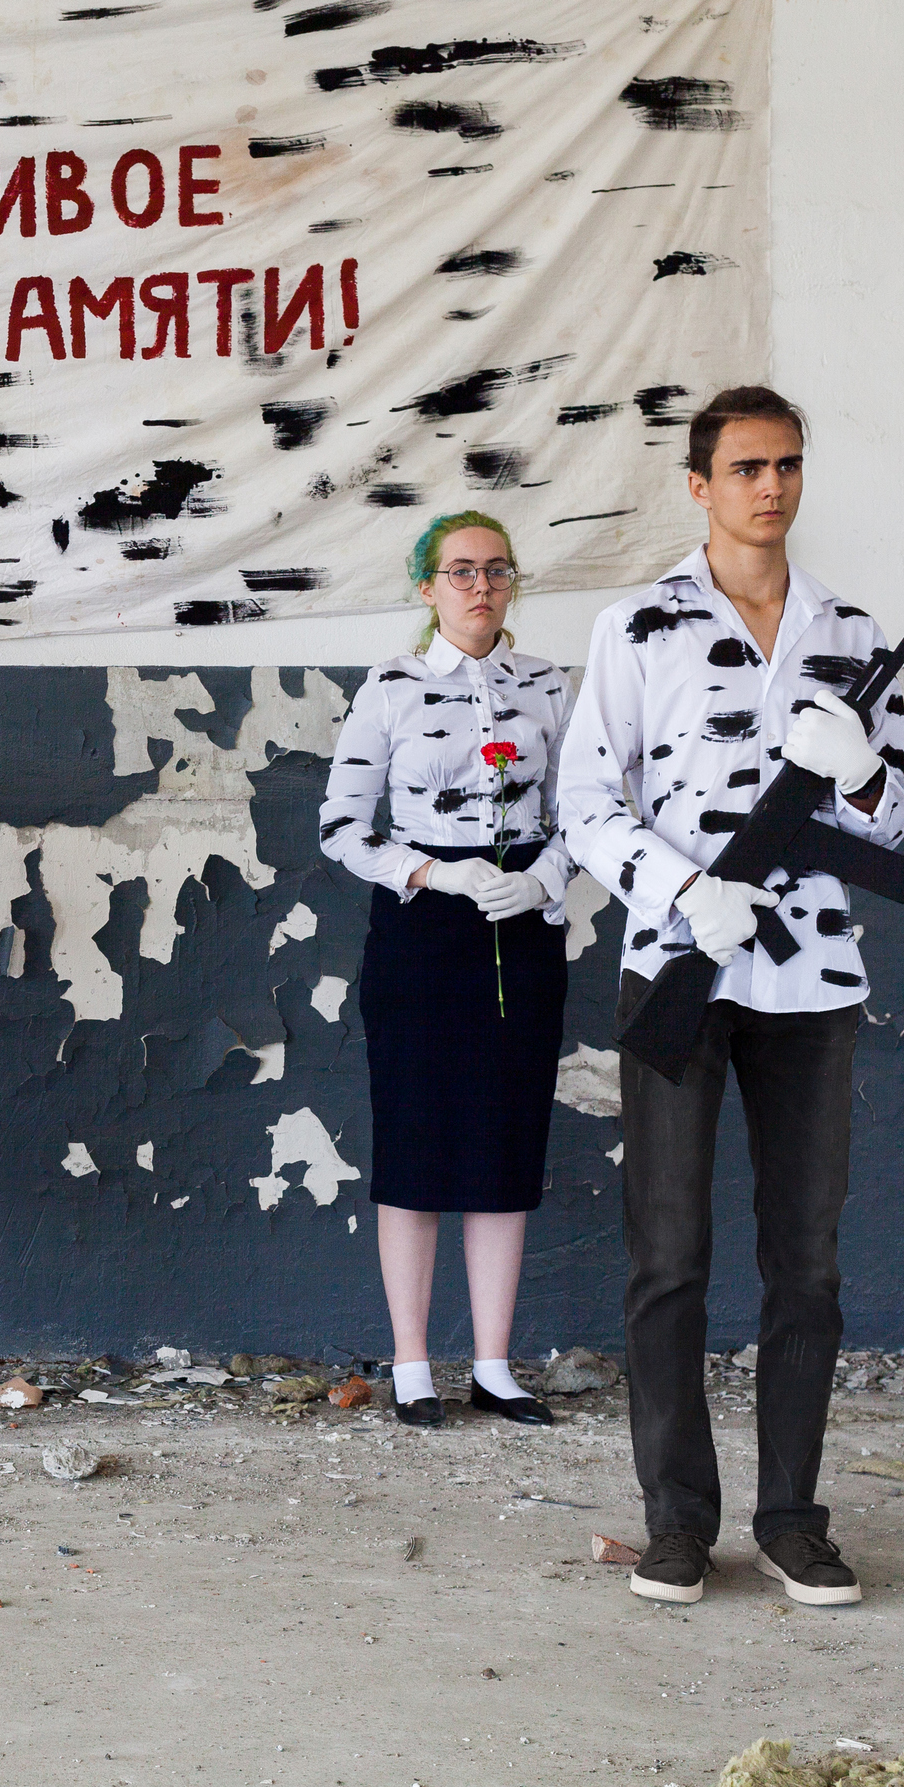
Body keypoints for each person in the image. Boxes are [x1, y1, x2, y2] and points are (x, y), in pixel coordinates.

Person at [558, 386, 904, 1610]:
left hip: (812, 978)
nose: (772, 485)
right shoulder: (639, 626)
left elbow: (892, 826)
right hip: (677, 966)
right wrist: (682, 888)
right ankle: (678, 1523)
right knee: (669, 1258)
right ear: (700, 485)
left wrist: (858, 778)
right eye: (748, 467)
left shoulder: (853, 634)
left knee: (805, 1261)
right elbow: (585, 802)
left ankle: (794, 1523)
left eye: (788, 464)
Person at [321, 512, 575, 1430]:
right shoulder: (390, 687)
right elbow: (341, 828)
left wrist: (545, 879)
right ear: (427, 587)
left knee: (506, 1138)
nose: (481, 587)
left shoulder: (549, 686)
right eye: (461, 571)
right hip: (422, 930)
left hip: (520, 923)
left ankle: (496, 1366)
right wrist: (431, 872)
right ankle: (413, 1364)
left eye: (497, 570)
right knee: (418, 1140)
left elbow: (583, 811)